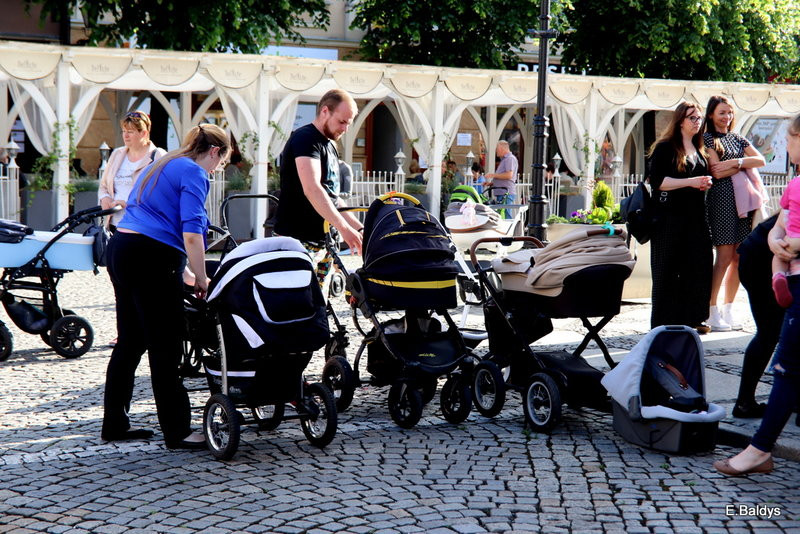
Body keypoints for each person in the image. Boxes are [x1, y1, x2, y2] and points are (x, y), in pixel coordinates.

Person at [101, 124, 230, 450]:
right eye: (220, 163)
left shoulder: (162, 163)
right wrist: (201, 277)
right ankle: (177, 431)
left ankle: (114, 423)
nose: (216, 171)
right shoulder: (195, 173)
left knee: (130, 342)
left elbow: (153, 219)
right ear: (214, 151)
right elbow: (190, 233)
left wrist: (183, 272)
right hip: (150, 257)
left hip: (122, 250)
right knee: (166, 346)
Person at [713, 118, 800, 474]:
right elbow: (780, 225)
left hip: (777, 262)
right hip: (761, 260)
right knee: (773, 338)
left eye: (789, 140)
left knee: (787, 353)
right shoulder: (795, 185)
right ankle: (746, 404)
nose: (786, 149)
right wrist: (778, 246)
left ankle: (760, 438)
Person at [274, 89, 363, 289]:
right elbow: (312, 188)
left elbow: (333, 197)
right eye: (342, 122)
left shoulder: (329, 144)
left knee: (318, 304)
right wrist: (345, 229)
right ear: (325, 111)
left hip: (324, 242)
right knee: (297, 304)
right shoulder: (305, 138)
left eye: (349, 123)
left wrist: (360, 228)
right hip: (298, 241)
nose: (346, 129)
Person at [647, 101, 714, 332]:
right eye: (692, 118)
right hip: (669, 219)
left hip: (696, 218)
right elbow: (658, 182)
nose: (697, 122)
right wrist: (691, 182)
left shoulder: (699, 148)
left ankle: (694, 318)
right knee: (667, 271)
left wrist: (704, 183)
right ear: (680, 121)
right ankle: (664, 323)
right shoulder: (666, 147)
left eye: (699, 118)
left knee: (699, 266)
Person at [704, 96, 766, 331]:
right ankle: (711, 310)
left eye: (729, 112)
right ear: (711, 114)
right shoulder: (708, 138)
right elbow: (716, 172)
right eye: (722, 112)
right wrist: (742, 163)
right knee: (724, 257)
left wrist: (738, 161)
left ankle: (728, 309)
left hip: (744, 204)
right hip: (722, 202)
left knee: (740, 257)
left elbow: (759, 160)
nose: (727, 117)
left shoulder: (738, 138)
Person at [734, 213, 785, 418]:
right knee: (770, 332)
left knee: (772, 332)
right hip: (763, 261)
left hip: (759, 255)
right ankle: (745, 403)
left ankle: (745, 402)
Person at [99, 110, 166, 232]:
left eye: (130, 132)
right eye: (124, 131)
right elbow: (103, 186)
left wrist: (127, 203)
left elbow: (162, 193)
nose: (125, 136)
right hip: (115, 224)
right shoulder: (117, 154)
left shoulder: (158, 156)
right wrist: (105, 198)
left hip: (143, 227)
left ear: (144, 133)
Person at [771, 171, 800, 307]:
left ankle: (778, 276)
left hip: (791, 237)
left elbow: (785, 205)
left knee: (779, 256)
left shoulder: (794, 183)